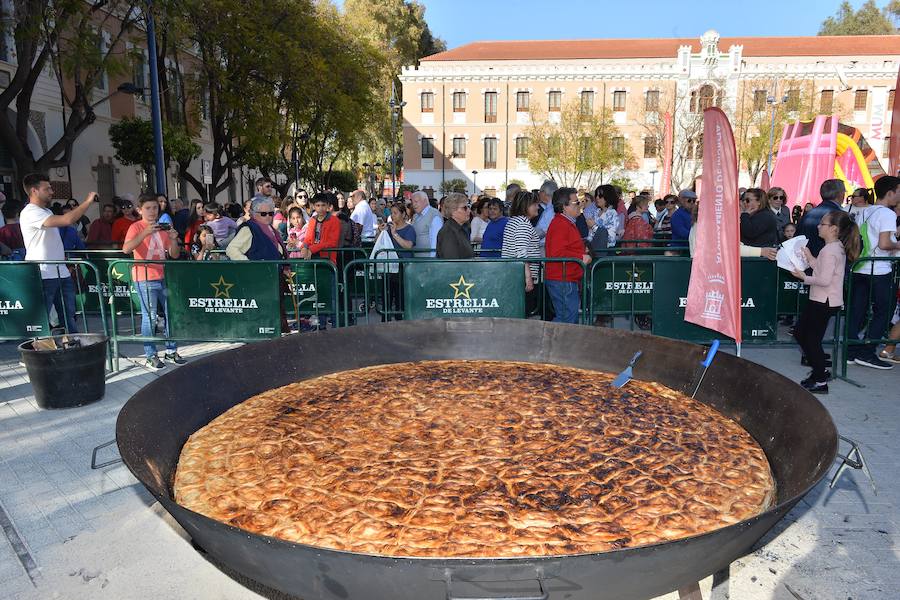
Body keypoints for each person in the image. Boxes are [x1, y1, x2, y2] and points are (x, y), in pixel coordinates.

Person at [791, 211, 860, 393]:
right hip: (824, 299)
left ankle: (820, 378)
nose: (818, 226)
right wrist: (809, 257)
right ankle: (819, 372)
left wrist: (803, 277)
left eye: (822, 224)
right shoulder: (833, 247)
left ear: (834, 229)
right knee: (804, 335)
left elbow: (823, 280)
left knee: (810, 339)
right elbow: (822, 269)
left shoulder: (830, 250)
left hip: (823, 300)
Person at [19, 174, 96, 334]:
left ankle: (72, 346)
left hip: (60, 271)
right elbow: (67, 220)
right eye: (47, 188)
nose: (52, 191)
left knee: (69, 316)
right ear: (34, 191)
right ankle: (36, 354)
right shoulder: (30, 212)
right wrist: (87, 202)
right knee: (41, 319)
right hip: (43, 273)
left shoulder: (45, 210)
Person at [122, 192, 184, 369]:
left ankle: (171, 351)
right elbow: (126, 249)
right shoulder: (136, 227)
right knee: (149, 317)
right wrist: (145, 233)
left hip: (163, 276)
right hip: (144, 277)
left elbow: (174, 254)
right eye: (148, 208)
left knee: (170, 315)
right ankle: (150, 354)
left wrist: (173, 240)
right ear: (139, 210)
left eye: (155, 208)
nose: (152, 211)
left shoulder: (162, 228)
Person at [845, 175, 900, 370]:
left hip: (860, 267)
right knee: (883, 313)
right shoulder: (887, 214)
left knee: (856, 312)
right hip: (879, 270)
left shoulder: (864, 211)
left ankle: (850, 352)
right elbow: (885, 244)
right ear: (891, 192)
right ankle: (867, 353)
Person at [545, 187, 591, 323]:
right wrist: (581, 256)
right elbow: (557, 252)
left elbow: (563, 248)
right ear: (564, 206)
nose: (579, 205)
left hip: (565, 278)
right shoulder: (561, 224)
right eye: (576, 202)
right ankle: (547, 342)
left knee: (567, 317)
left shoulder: (565, 223)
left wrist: (582, 250)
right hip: (562, 279)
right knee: (567, 319)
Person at [502, 190, 543, 316]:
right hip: (521, 277)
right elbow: (521, 253)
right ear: (526, 206)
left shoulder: (514, 221)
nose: (538, 207)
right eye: (535, 204)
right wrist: (528, 278)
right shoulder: (523, 224)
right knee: (524, 311)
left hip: (514, 274)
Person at [798, 179, 844, 257]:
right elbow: (852, 242)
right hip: (832, 262)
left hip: (808, 262)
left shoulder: (808, 215)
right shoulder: (841, 216)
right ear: (840, 194)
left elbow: (798, 240)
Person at [300, 192, 342, 264]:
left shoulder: (335, 221)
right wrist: (304, 247)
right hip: (313, 256)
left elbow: (332, 242)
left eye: (323, 205)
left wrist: (312, 249)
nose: (320, 208)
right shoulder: (312, 220)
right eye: (318, 205)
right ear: (313, 206)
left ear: (328, 206)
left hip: (327, 258)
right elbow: (308, 238)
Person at [436, 193, 475, 259]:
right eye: (465, 208)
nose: (469, 210)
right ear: (453, 211)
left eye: (468, 207)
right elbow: (451, 262)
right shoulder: (448, 232)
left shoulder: (462, 228)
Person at [410, 190, 443, 256]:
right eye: (412, 202)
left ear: (425, 201)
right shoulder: (415, 216)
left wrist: (431, 261)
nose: (414, 205)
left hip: (427, 261)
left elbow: (435, 242)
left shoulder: (434, 215)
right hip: (417, 259)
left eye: (416, 201)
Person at [534, 179, 559, 244]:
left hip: (544, 245)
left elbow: (541, 231)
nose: (538, 193)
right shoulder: (556, 206)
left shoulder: (550, 210)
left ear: (543, 193)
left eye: (540, 191)